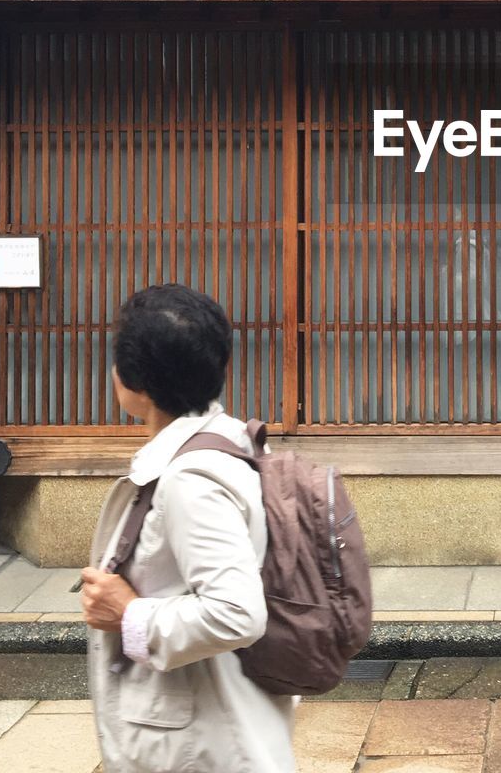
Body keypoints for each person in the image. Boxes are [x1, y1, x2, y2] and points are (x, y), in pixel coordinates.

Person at [80, 284, 295, 773]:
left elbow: (237, 614)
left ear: (133, 381)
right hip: (215, 720)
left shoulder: (191, 478)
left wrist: (130, 614)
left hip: (198, 745)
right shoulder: (229, 442)